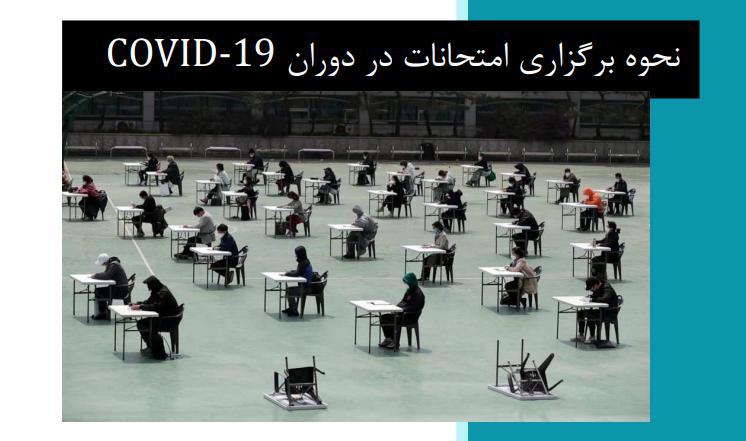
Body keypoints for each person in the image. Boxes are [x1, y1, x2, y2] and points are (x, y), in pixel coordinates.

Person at [130, 276, 180, 360]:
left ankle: (153, 349)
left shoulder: (163, 293)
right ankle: (151, 347)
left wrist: (140, 307)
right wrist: (138, 304)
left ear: (153, 285)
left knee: (143, 325)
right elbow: (150, 301)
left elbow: (156, 307)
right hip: (163, 317)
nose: (148, 288)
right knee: (141, 323)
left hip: (169, 320)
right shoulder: (157, 290)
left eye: (149, 285)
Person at [378, 273, 425, 350]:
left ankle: (395, 342)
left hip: (410, 317)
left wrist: (402, 310)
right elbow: (403, 301)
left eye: (408, 282)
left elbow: (415, 308)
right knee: (383, 317)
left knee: (393, 319)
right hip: (402, 314)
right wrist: (396, 307)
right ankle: (389, 339)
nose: (407, 284)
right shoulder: (409, 291)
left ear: (411, 281)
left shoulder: (418, 294)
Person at [576, 277, 619, 343]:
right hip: (602, 310)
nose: (591, 290)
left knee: (590, 315)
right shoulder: (598, 287)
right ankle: (581, 335)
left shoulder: (607, 288)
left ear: (595, 285)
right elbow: (596, 296)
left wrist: (592, 299)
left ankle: (592, 337)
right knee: (581, 312)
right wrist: (590, 297)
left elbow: (605, 299)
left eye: (591, 288)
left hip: (609, 312)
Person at [90, 253, 129, 320]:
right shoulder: (112, 264)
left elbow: (106, 276)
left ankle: (103, 313)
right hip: (118, 288)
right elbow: (106, 274)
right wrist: (98, 275)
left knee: (99, 291)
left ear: (105, 262)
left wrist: (96, 275)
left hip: (120, 291)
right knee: (99, 291)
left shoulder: (114, 265)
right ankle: (103, 312)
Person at [282, 246, 313, 317]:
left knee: (290, 291)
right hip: (304, 286)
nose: (295, 255)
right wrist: (291, 272)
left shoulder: (303, 263)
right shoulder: (305, 261)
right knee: (288, 290)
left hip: (306, 288)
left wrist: (286, 274)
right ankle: (292, 308)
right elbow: (299, 272)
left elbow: (297, 274)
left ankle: (294, 311)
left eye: (296, 253)